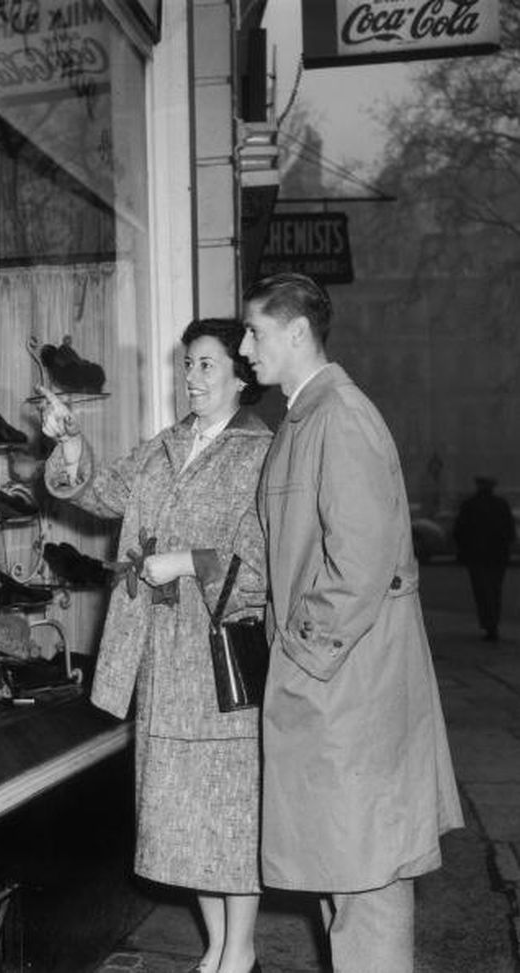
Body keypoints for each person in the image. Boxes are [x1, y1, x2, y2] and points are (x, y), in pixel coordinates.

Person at [239, 273, 464, 973]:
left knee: (368, 887)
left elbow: (361, 563)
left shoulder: (341, 416)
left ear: (298, 332)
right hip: (336, 698)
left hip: (348, 695)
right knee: (345, 880)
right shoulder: (308, 417)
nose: (246, 348)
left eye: (256, 332)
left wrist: (300, 657)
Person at [40, 318, 272, 973]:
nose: (190, 378)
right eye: (188, 365)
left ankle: (239, 948)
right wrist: (72, 439)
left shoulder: (262, 455)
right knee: (183, 815)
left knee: (231, 814)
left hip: (222, 664)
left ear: (240, 375)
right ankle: (218, 947)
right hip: (162, 661)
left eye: (205, 365)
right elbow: (94, 491)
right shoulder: (165, 446)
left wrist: (190, 561)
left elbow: (267, 564)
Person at [453, 476, 516, 642]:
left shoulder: (470, 505)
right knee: (495, 591)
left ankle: (488, 623)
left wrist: (463, 551)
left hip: (477, 556)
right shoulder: (501, 505)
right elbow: (510, 531)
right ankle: (492, 623)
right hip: (497, 557)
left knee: (482, 591)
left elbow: (459, 531)